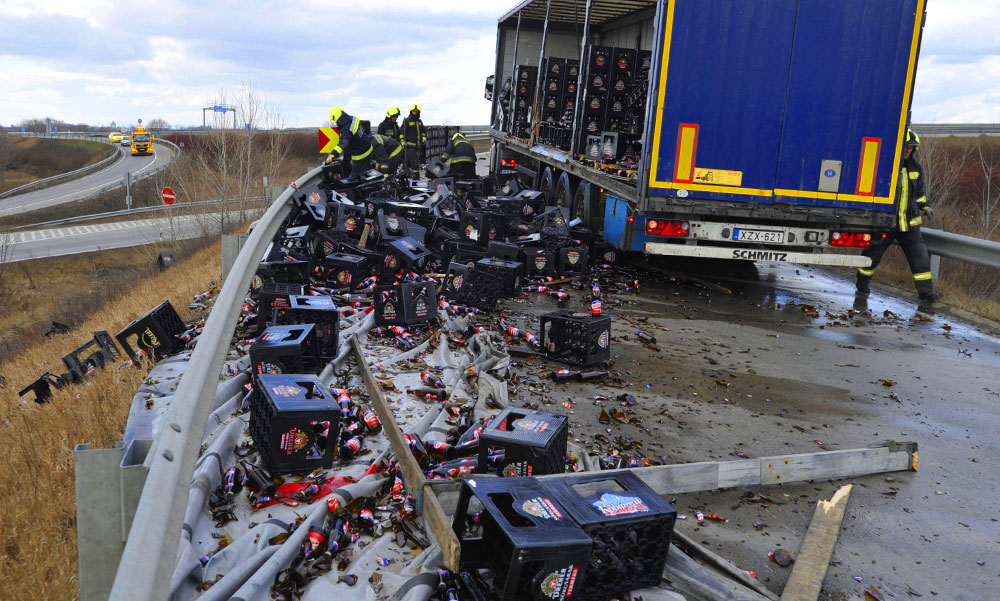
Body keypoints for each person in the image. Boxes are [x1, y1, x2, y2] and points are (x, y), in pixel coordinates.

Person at [856, 129, 940, 304]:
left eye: (911, 147)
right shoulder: (886, 165)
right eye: (906, 147)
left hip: (909, 225)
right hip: (886, 222)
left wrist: (925, 206)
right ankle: (862, 286)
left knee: (920, 259)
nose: (908, 150)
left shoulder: (916, 168)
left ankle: (926, 293)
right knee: (872, 255)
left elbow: (920, 194)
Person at [327, 106, 374, 178]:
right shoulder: (352, 119)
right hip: (367, 148)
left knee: (355, 177)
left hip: (360, 154)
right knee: (366, 173)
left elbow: (344, 142)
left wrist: (333, 154)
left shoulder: (346, 129)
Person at [401, 104, 427, 178]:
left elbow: (423, 131)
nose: (415, 113)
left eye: (416, 111)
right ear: (411, 112)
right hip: (409, 146)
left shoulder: (419, 121)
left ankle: (402, 176)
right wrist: (402, 141)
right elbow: (402, 131)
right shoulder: (407, 121)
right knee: (414, 162)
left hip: (417, 146)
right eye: (414, 111)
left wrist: (424, 137)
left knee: (407, 162)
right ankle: (416, 176)